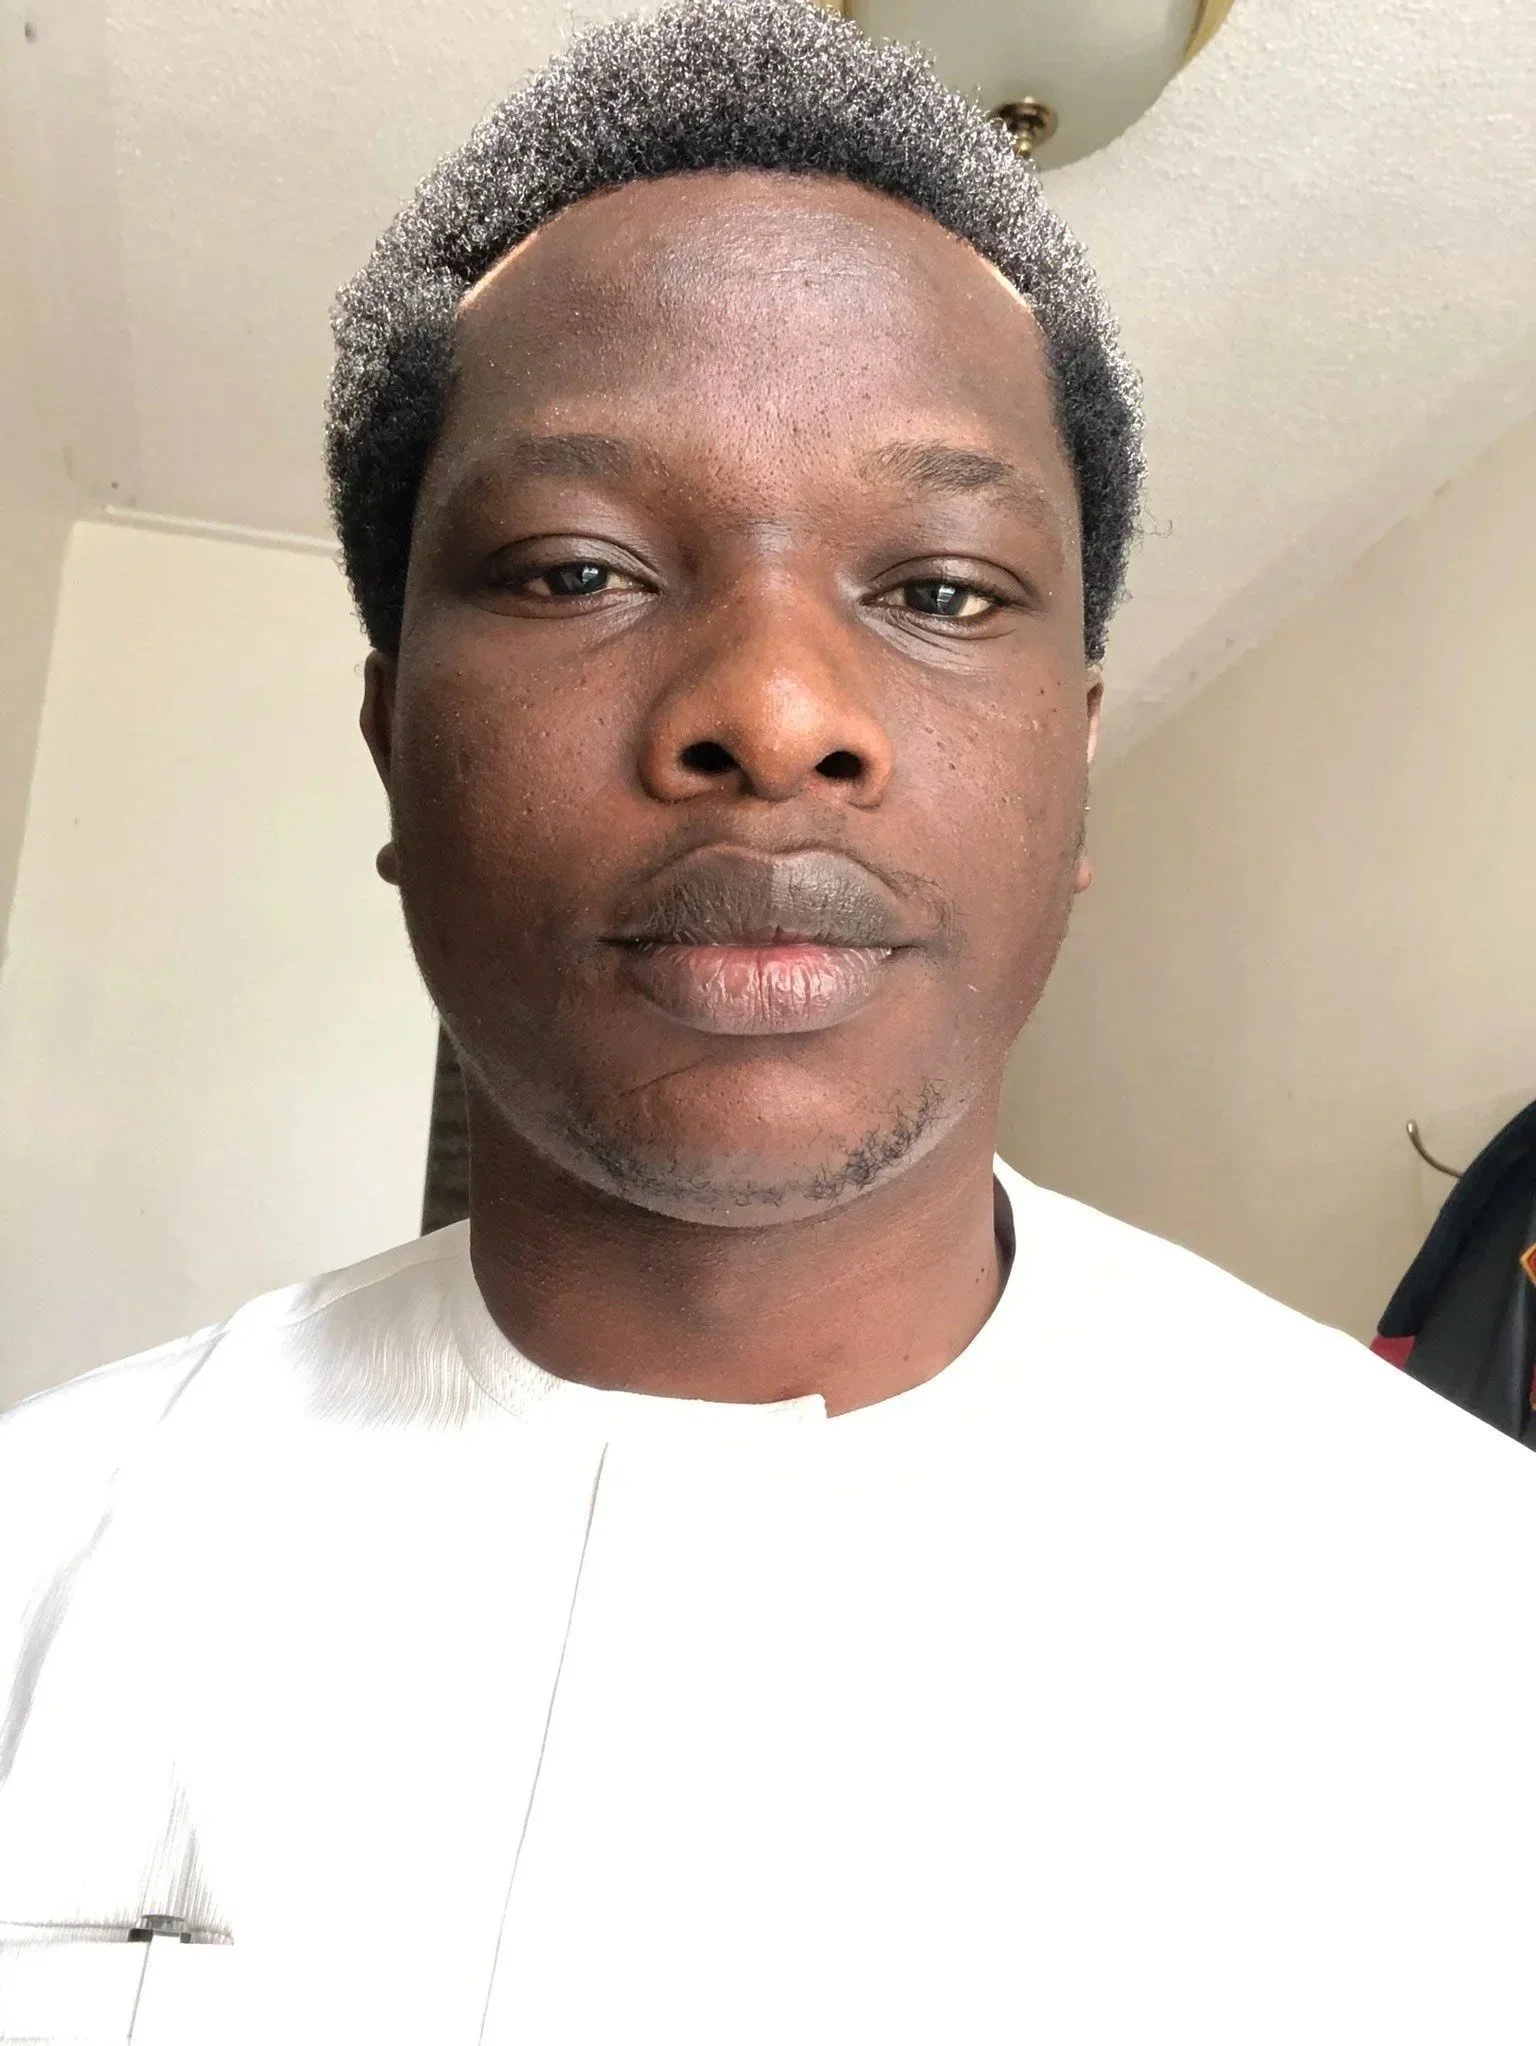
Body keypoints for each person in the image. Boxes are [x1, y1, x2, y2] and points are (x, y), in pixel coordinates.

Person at [1, 3, 1533, 2040]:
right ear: (392, 752)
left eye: (947, 591)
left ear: (1074, 780)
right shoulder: (48, 1561)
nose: (780, 712)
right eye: (572, 567)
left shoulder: (1463, 1608)